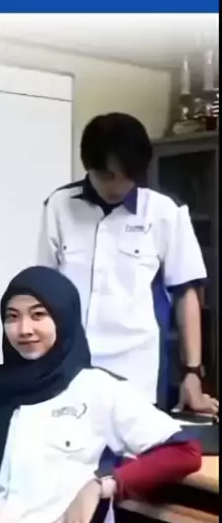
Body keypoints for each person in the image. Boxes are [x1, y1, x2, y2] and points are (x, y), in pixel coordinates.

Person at [0, 267, 202, 523]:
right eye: (12, 317)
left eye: (38, 315)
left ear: (63, 317)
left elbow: (185, 452)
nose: (24, 329)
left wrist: (101, 487)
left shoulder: (98, 388)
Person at [38, 113, 218, 415]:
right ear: (89, 166)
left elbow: (186, 293)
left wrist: (192, 373)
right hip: (68, 365)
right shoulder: (59, 205)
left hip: (137, 369)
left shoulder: (164, 212)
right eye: (107, 176)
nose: (118, 186)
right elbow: (41, 289)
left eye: (127, 176)